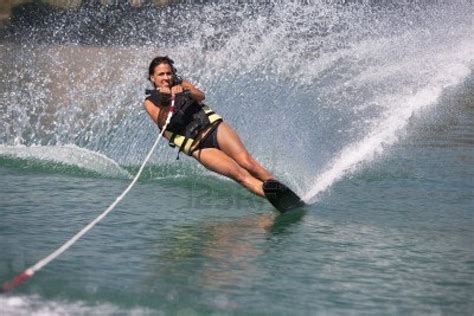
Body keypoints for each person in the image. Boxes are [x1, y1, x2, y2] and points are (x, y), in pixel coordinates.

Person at [144, 56, 274, 197]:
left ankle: (278, 187)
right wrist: (165, 99)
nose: (166, 77)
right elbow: (163, 123)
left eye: (168, 73)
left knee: (247, 162)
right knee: (239, 174)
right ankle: (276, 198)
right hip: (198, 147)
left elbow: (201, 96)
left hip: (214, 129)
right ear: (152, 78)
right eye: (161, 74)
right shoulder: (150, 101)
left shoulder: (181, 84)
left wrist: (185, 91)